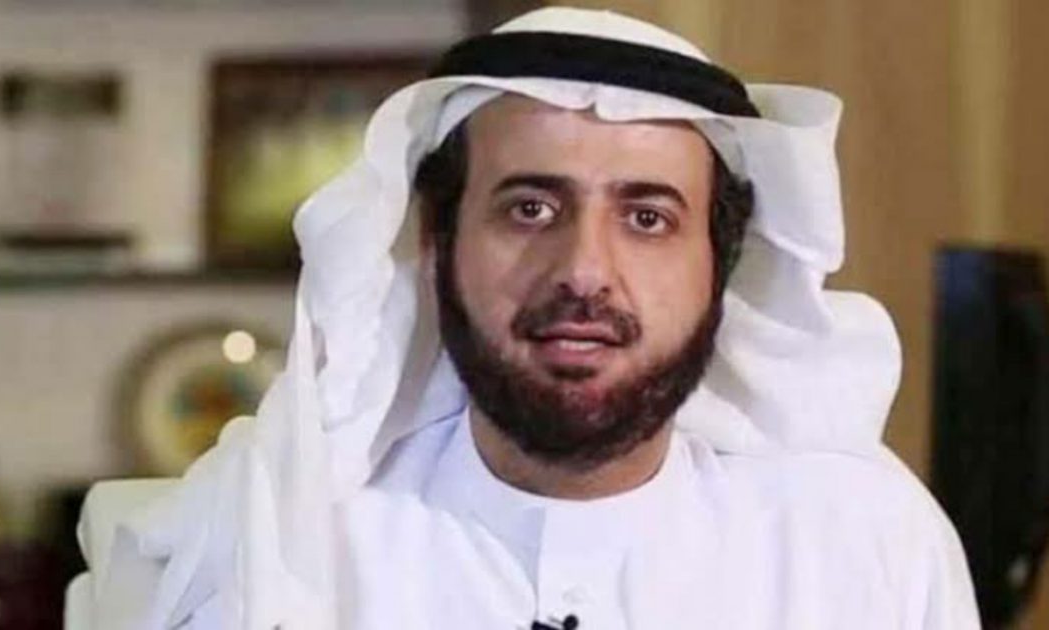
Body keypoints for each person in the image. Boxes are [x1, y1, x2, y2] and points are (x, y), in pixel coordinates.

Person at [83, 7, 980, 629]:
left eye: (647, 217)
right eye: (530, 209)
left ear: (722, 262)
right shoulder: (269, 540)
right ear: (436, 238)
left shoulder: (863, 545)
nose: (584, 270)